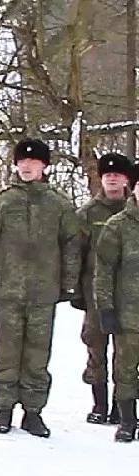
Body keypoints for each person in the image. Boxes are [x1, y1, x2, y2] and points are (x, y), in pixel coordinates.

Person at [0, 138, 79, 437]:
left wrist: (69, 284)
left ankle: (33, 412)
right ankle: (3, 409)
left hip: (44, 293)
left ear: (44, 166)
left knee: (37, 355)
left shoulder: (58, 204)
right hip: (7, 292)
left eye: (33, 162)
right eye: (22, 161)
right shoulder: (1, 202)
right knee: (5, 353)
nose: (27, 166)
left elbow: (72, 245)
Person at [74, 153, 132, 425]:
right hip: (94, 292)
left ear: (127, 180)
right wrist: (75, 290)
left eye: (118, 175)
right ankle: (99, 403)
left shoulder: (132, 212)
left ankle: (123, 405)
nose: (112, 179)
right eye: (107, 175)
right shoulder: (87, 213)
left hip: (131, 296)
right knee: (96, 348)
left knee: (127, 352)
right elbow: (76, 254)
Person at [92, 167, 139, 443]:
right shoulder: (118, 226)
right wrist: (106, 308)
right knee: (125, 369)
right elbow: (104, 271)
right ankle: (127, 421)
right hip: (128, 314)